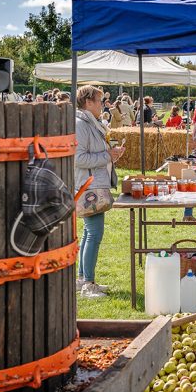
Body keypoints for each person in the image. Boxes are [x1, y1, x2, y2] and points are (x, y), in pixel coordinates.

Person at [75, 85, 125, 298]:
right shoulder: (81, 125)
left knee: (89, 232)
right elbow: (78, 158)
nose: (102, 104)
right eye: (99, 100)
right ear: (88, 102)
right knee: (94, 233)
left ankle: (82, 279)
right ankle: (88, 284)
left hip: (94, 184)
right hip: (89, 187)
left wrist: (111, 155)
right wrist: (107, 156)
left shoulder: (90, 123)